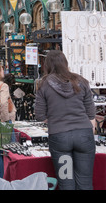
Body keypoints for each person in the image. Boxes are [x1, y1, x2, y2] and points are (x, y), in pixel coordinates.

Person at [35, 50, 96, 190]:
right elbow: (91, 112)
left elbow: (40, 115)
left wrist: (55, 119)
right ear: (65, 63)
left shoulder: (43, 84)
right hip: (84, 135)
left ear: (46, 65)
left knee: (66, 181)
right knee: (85, 182)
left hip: (60, 137)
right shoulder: (81, 81)